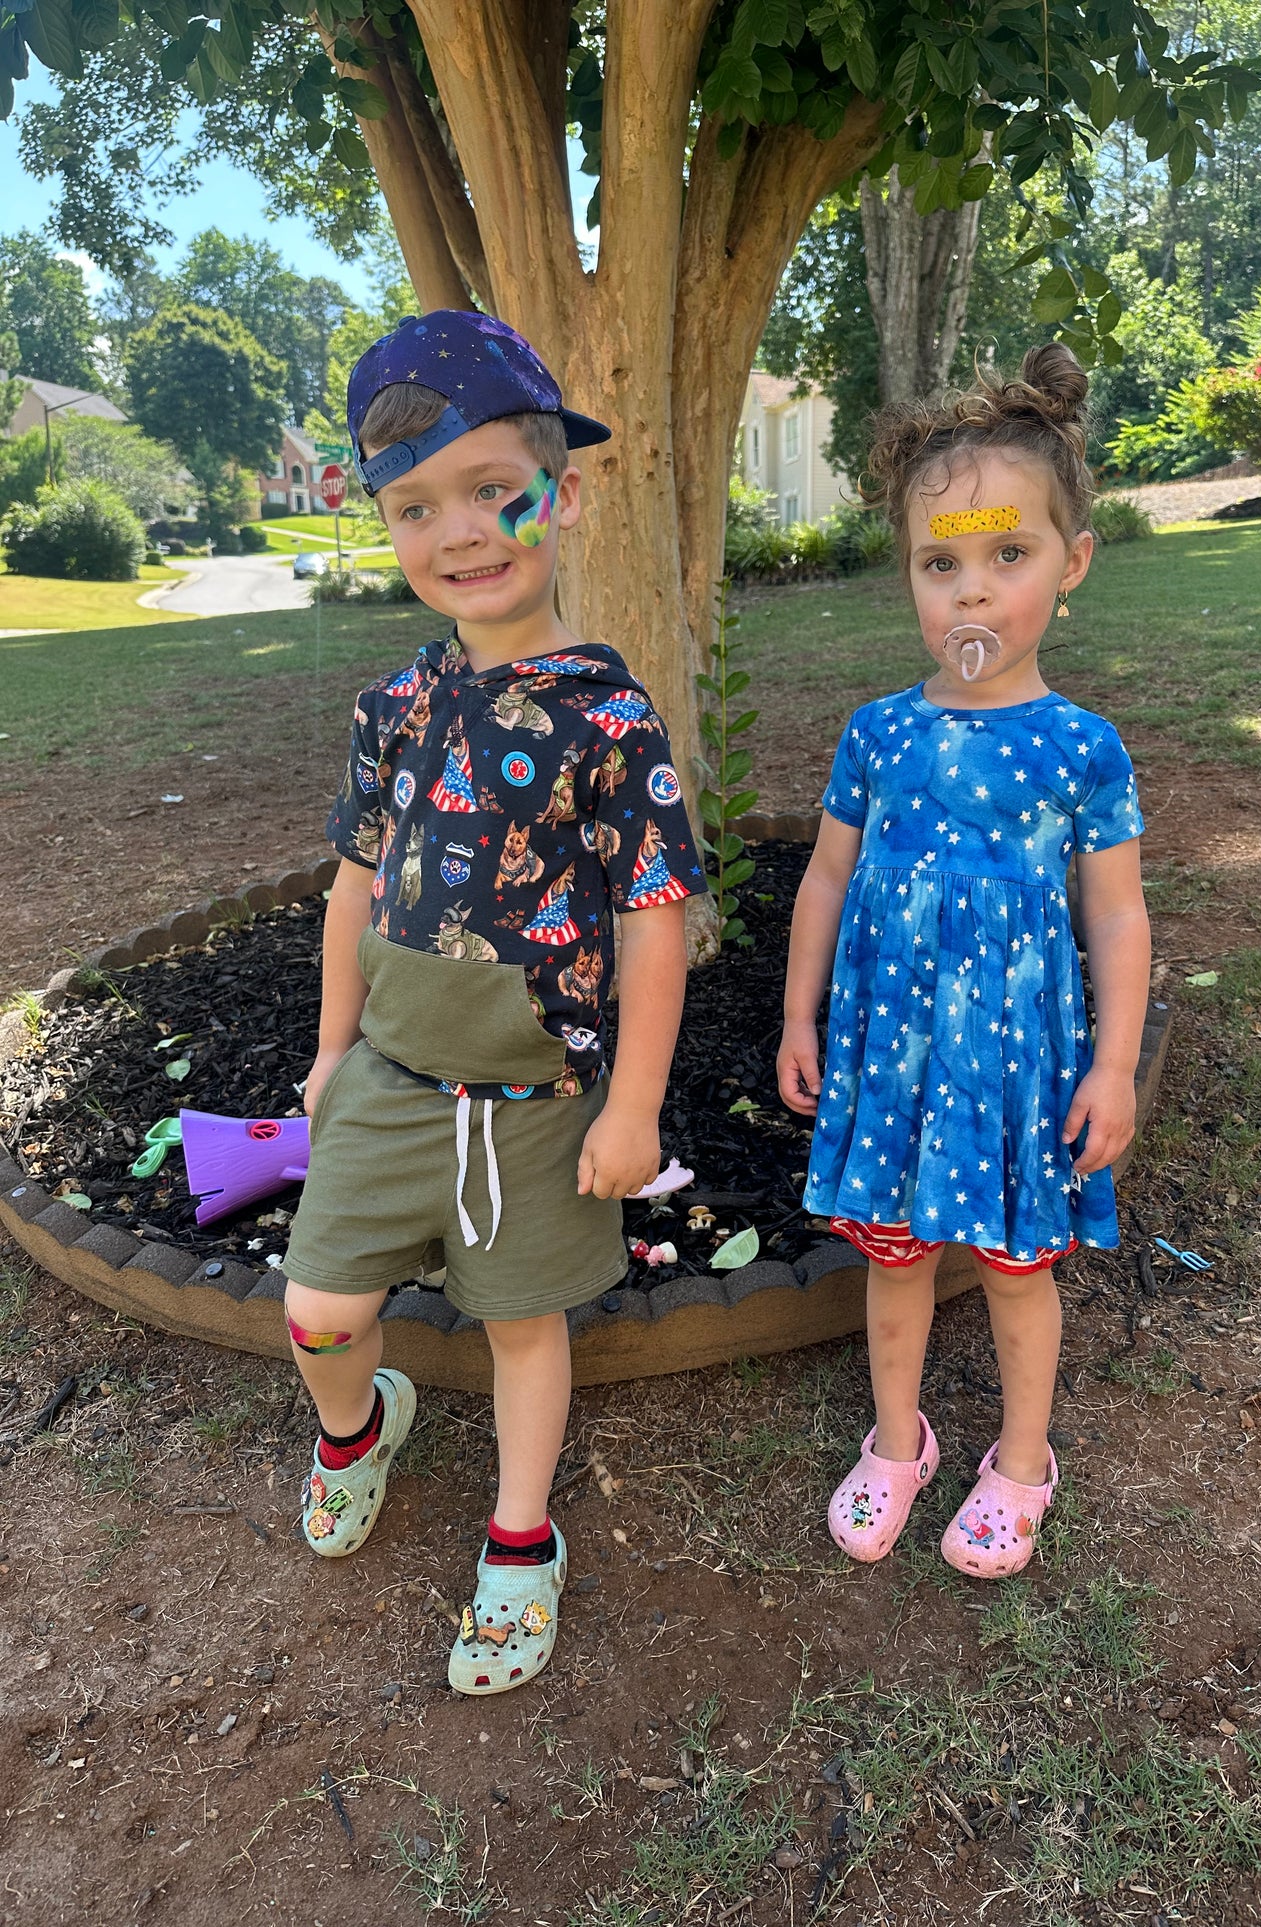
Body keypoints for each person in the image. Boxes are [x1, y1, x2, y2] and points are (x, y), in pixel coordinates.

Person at [281, 310, 703, 1692]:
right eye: (415, 506)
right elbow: (354, 887)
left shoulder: (608, 714)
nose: (459, 531)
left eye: (490, 491)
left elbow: (653, 921)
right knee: (321, 1309)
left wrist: (632, 1103)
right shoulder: (392, 707)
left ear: (560, 493)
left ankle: (521, 1539)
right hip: (391, 1078)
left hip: (538, 1099)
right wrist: (332, 1049)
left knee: (526, 1325)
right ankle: (362, 1425)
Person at [777, 344, 1150, 1579]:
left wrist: (1112, 1065)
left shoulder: (1079, 748)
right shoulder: (877, 733)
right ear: (910, 579)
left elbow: (1114, 918)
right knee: (889, 1259)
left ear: (1071, 563)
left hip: (1016, 1072)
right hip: (892, 1059)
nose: (971, 595)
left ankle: (1023, 1461)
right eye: (941, 564)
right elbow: (825, 876)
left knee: (1011, 1272)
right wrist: (799, 1017)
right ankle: (899, 1442)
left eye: (1006, 556)